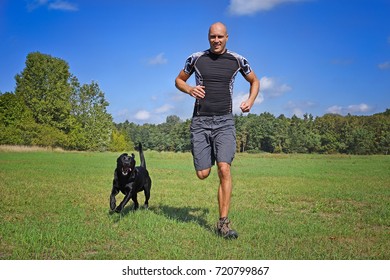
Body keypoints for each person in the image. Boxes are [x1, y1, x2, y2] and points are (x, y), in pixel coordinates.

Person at [175, 22, 260, 239]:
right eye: (212, 36)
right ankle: (210, 154)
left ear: (227, 37)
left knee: (225, 169)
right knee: (203, 174)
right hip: (200, 122)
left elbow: (254, 80)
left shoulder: (237, 60)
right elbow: (179, 80)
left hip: (224, 122)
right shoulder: (195, 58)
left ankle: (223, 223)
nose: (216, 40)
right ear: (208, 37)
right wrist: (190, 89)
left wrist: (250, 100)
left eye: (220, 37)